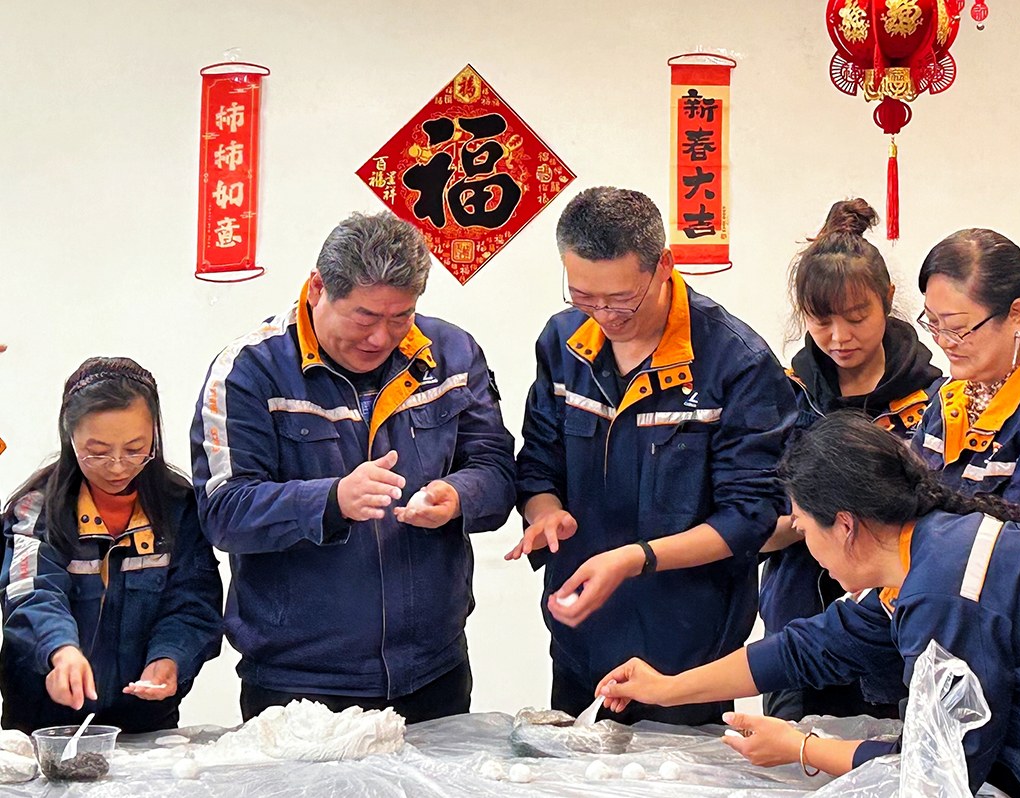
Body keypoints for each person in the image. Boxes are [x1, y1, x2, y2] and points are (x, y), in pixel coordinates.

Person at [597, 412, 1020, 798]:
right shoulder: (923, 549)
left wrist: (803, 748)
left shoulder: (943, 592)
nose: (805, 544)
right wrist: (666, 688)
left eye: (802, 529)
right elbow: (812, 646)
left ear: (844, 525)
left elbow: (940, 769)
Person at [191, 211, 516, 724]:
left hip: (434, 671)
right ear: (318, 287)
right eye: (364, 317)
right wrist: (330, 500)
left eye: (400, 317)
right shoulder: (250, 371)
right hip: (299, 686)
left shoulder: (450, 355)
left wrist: (456, 497)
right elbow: (223, 511)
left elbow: (497, 469)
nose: (380, 338)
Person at [509, 186, 795, 725]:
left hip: (687, 652)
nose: (603, 315)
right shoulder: (563, 341)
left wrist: (632, 559)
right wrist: (544, 512)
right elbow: (538, 462)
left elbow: (748, 517)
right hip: (581, 634)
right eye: (582, 297)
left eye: (620, 299)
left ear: (663, 266)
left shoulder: (735, 362)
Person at [760, 199, 940, 721]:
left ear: (886, 300)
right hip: (799, 610)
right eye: (821, 321)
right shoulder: (783, 396)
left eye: (858, 318)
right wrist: (816, 520)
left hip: (898, 619)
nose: (840, 338)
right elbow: (756, 523)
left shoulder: (933, 399)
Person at [0, 357, 223, 734]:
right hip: (42, 720)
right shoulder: (36, 510)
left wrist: (169, 659)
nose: (118, 466)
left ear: (155, 433)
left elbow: (193, 602)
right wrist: (60, 651)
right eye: (97, 452)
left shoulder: (179, 509)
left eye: (136, 448)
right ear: (69, 438)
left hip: (145, 718)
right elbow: (32, 592)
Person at [912, 228, 1020, 516]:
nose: (943, 341)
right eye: (932, 322)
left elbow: (1012, 544)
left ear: (1016, 314)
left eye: (957, 329)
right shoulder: (948, 397)